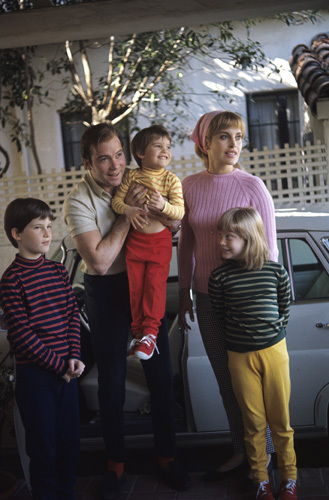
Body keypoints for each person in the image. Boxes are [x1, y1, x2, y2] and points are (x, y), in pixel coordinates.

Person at [63, 122, 191, 500]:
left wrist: (160, 209)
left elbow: (175, 219)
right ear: (88, 163)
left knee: (161, 375)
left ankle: (167, 456)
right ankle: (115, 466)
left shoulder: (140, 176)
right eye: (103, 159)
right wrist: (127, 214)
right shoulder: (78, 200)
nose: (114, 165)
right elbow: (99, 262)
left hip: (147, 284)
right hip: (108, 290)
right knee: (112, 383)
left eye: (118, 154)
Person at [178, 110, 277, 480]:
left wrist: (262, 299)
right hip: (206, 297)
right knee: (225, 379)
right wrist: (186, 290)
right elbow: (186, 241)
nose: (234, 144)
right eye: (224, 137)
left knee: (250, 380)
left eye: (238, 136)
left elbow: (270, 250)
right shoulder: (188, 186)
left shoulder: (253, 186)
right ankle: (242, 449)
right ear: (205, 143)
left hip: (245, 300)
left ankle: (264, 454)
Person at [208, 207, 297, 500]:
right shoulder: (219, 277)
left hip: (275, 353)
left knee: (281, 422)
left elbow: (285, 308)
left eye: (229, 236)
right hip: (240, 357)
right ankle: (261, 481)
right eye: (220, 235)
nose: (221, 241)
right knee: (254, 423)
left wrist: (271, 334)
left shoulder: (275, 270)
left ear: (248, 238)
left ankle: (289, 479)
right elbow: (220, 316)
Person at [0, 197, 85, 500]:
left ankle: (66, 493)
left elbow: (72, 317)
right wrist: (60, 366)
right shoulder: (12, 280)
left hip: (66, 372)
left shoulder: (58, 272)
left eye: (49, 226)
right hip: (36, 377)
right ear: (17, 234)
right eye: (38, 227)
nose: (47, 233)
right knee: (43, 447)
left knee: (68, 442)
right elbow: (21, 336)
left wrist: (74, 356)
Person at [112, 124, 184, 360]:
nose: (165, 151)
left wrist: (163, 206)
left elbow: (180, 212)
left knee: (154, 287)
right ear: (141, 153)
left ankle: (151, 333)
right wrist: (129, 211)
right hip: (135, 242)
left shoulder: (171, 180)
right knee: (136, 289)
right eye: (158, 146)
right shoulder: (131, 176)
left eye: (168, 147)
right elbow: (117, 203)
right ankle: (137, 333)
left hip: (159, 242)